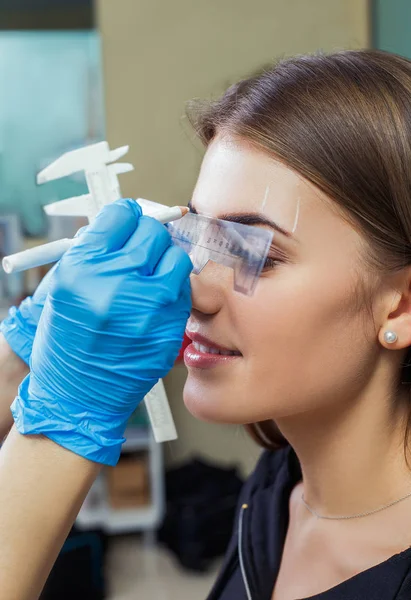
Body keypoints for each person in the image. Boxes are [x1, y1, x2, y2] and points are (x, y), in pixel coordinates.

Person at [1, 48, 411, 600]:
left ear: (401, 305)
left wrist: (65, 413)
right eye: (200, 235)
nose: (193, 287)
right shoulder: (274, 488)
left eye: (258, 254)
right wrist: (28, 348)